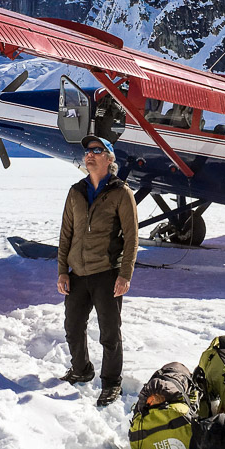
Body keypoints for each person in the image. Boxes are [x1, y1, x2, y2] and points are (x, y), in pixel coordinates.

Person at [57, 135, 139, 407]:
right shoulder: (75, 191)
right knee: (72, 326)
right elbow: (66, 233)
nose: (89, 155)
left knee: (109, 333)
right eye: (88, 151)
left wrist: (125, 274)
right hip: (77, 273)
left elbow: (131, 238)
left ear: (109, 158)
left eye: (97, 150)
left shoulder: (121, 192)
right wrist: (62, 271)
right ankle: (81, 369)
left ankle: (111, 381)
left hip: (107, 273)